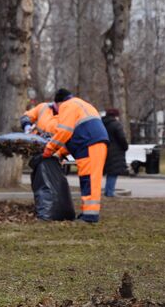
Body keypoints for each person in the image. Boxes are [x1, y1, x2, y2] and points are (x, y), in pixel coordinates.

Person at [42, 89, 109, 223]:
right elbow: (73, 136)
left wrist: (49, 148)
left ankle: (90, 216)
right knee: (89, 179)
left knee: (89, 180)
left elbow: (64, 131)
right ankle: (88, 214)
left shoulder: (67, 106)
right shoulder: (81, 104)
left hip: (89, 144)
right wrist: (59, 152)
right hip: (93, 143)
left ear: (59, 102)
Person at [102, 108, 129, 197]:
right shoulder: (116, 125)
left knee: (108, 172)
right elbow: (121, 138)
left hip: (104, 149)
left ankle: (107, 190)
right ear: (116, 116)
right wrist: (125, 147)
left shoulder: (101, 124)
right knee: (113, 173)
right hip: (115, 151)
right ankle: (110, 192)